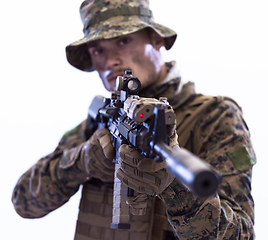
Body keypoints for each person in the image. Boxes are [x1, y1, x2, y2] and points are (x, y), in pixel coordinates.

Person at [11, 0, 256, 239]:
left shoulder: (214, 116)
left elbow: (240, 234)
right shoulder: (99, 122)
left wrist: (174, 188)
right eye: (98, 50)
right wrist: (80, 162)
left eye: (123, 41)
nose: (110, 61)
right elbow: (24, 202)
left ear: (156, 39)